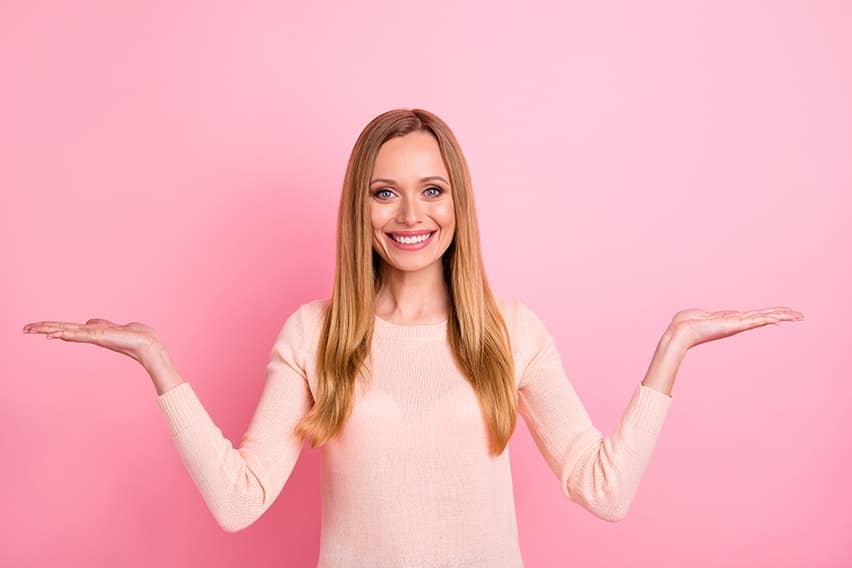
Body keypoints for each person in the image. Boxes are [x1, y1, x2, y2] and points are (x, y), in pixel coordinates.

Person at [22, 108, 804, 567]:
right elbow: (238, 502)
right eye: (385, 193)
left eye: (432, 190)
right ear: (359, 210)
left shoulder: (510, 332)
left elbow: (605, 489)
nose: (410, 215)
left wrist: (672, 348)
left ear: (457, 202)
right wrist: (158, 363)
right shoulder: (316, 335)